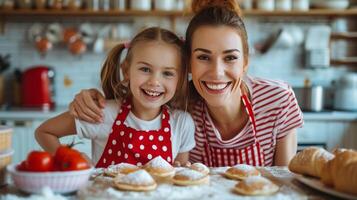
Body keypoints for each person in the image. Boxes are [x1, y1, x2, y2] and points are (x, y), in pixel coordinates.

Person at [68, 0, 304, 167]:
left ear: (245, 63)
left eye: (230, 58)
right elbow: (132, 103)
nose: (217, 72)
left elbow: (283, 183)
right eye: (203, 57)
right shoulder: (179, 105)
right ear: (188, 64)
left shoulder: (278, 100)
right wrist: (89, 96)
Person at [35, 27, 195, 168]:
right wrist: (71, 160)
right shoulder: (103, 114)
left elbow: (179, 176)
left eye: (167, 73)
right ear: (126, 71)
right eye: (145, 69)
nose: (154, 81)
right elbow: (44, 131)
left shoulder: (182, 124)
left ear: (180, 79)